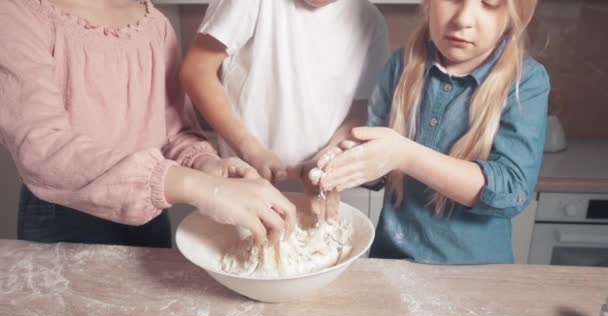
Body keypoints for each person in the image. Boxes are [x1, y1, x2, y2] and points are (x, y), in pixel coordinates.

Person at [0, 0, 295, 248]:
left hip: (149, 217)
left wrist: (205, 165)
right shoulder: (17, 15)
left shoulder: (156, 27)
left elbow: (176, 132)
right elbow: (44, 148)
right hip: (62, 220)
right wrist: (198, 187)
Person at [315, 0, 550, 264]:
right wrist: (339, 162)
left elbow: (511, 191)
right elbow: (376, 162)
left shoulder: (526, 81)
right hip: (392, 264)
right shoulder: (400, 66)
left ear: (515, 16)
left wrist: (405, 156)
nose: (463, 19)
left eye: (490, 3)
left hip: (478, 275)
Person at [180, 0, 390, 224]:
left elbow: (357, 113)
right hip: (242, 187)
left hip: (316, 196)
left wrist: (326, 159)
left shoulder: (369, 21)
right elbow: (197, 72)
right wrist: (251, 149)